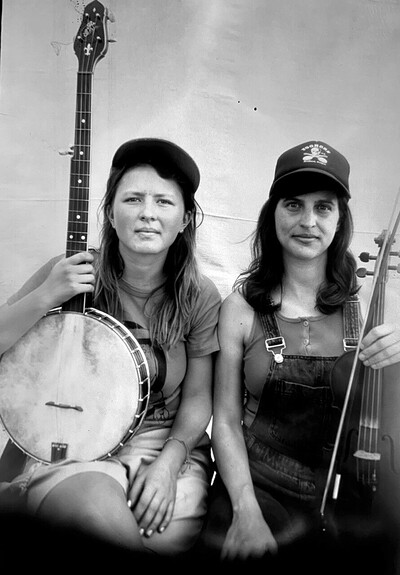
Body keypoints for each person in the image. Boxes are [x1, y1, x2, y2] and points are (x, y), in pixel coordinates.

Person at [0, 137, 221, 557]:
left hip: (162, 445)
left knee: (162, 537)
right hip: (76, 443)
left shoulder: (198, 295)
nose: (147, 214)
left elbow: (197, 398)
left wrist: (168, 466)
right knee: (97, 520)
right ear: (111, 212)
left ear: (185, 219)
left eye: (164, 202)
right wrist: (47, 294)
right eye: (133, 199)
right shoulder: (70, 271)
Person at [200, 140, 400, 568]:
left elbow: (386, 411)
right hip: (258, 486)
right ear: (273, 213)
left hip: (346, 486)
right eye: (293, 205)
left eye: (323, 207)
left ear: (340, 218)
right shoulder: (240, 308)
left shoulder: (368, 300)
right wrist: (246, 511)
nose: (308, 221)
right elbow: (227, 423)